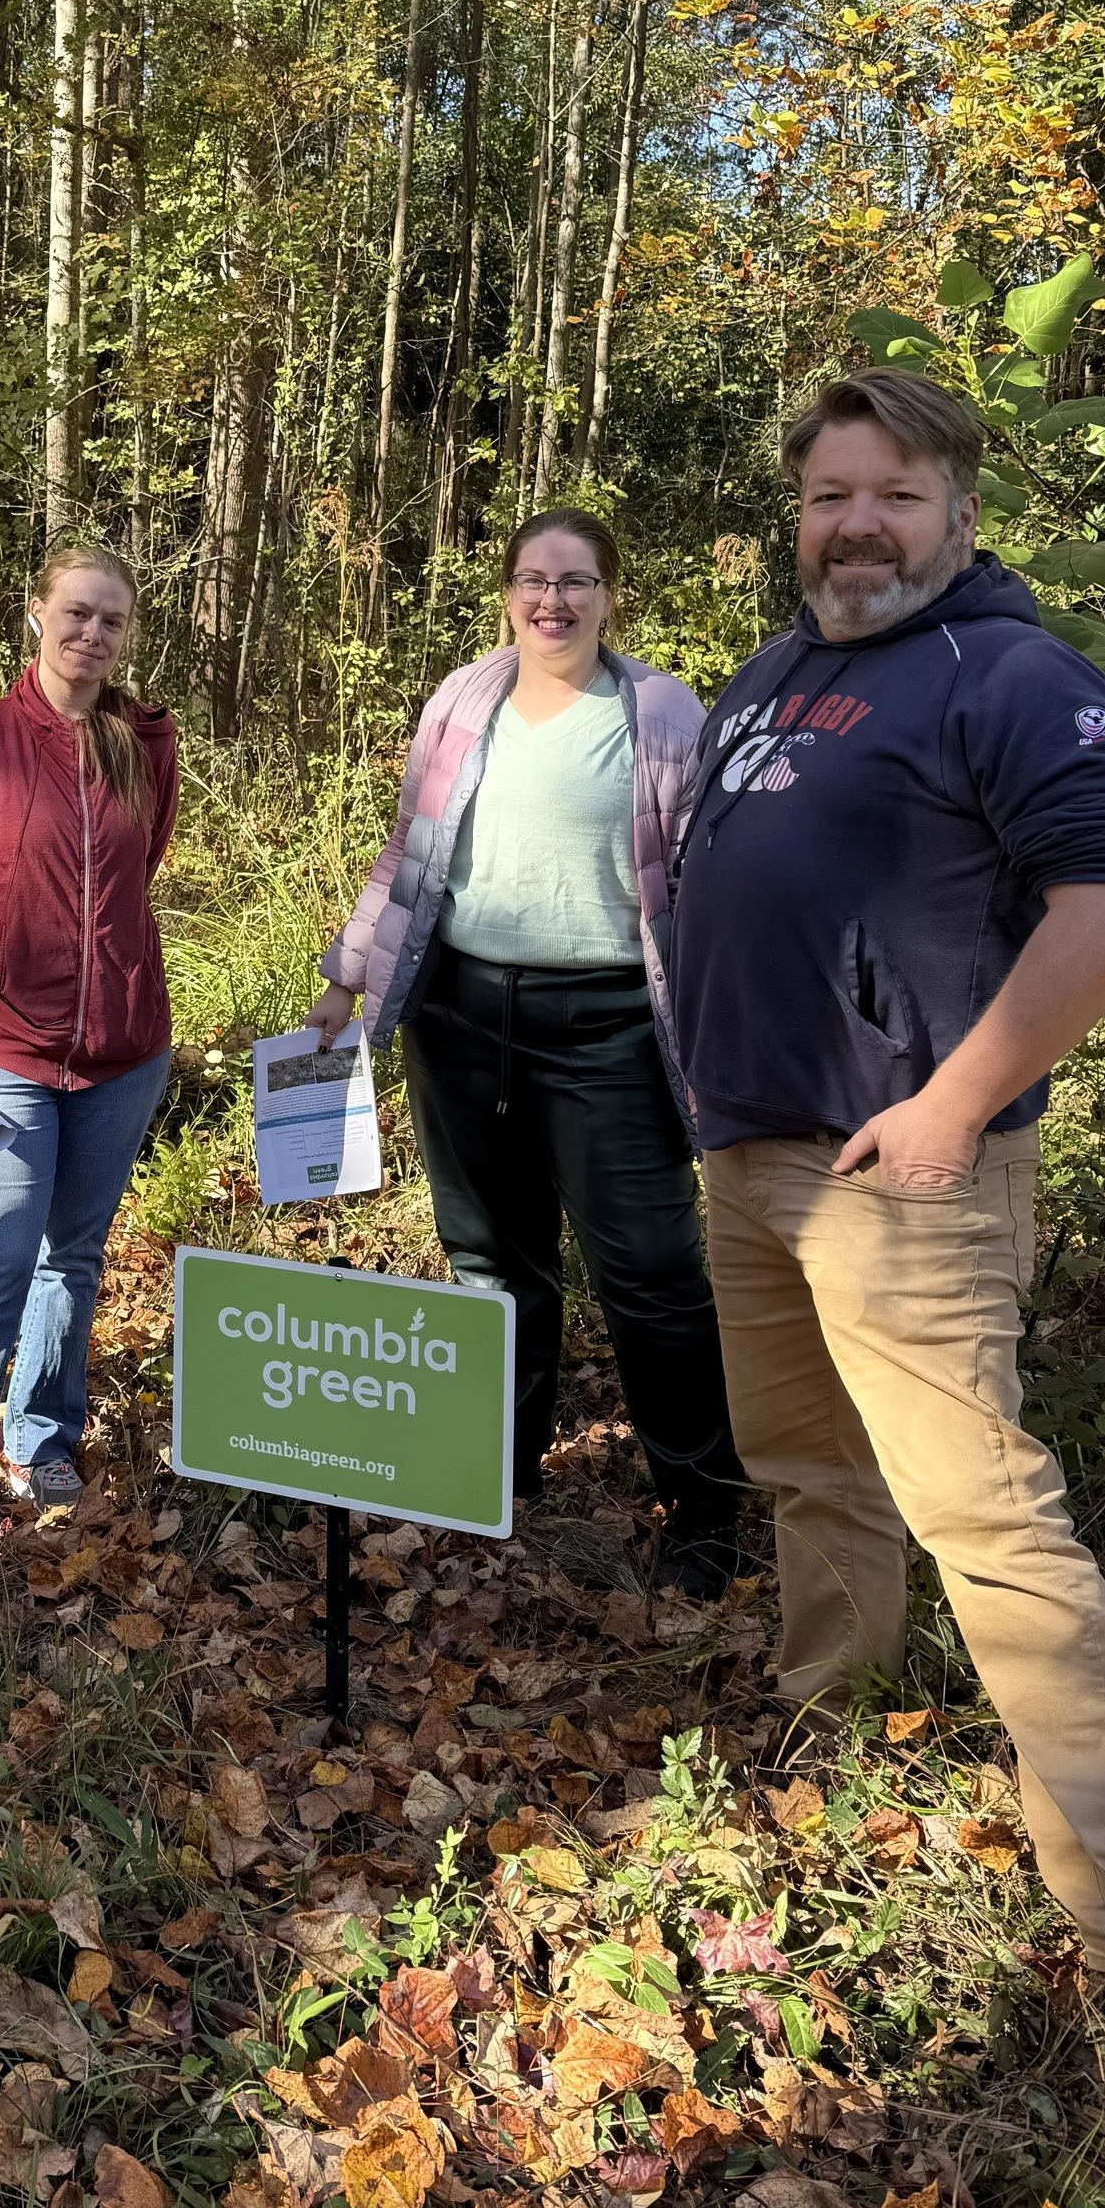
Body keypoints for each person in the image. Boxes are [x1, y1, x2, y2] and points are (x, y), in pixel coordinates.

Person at [667, 363, 1105, 1982]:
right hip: (755, 1154)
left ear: (961, 508)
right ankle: (833, 1720)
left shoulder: (1013, 674)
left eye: (894, 494)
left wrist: (955, 1106)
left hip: (906, 1178)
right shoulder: (771, 672)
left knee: (990, 1524)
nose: (857, 525)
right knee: (808, 1470)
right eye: (831, 495)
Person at [313, 510, 747, 1593]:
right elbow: (410, 855)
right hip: (460, 1018)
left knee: (648, 1271)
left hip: (608, 1028)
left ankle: (701, 1504)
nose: (552, 600)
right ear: (506, 591)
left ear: (611, 596)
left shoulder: (658, 713)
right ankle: (495, 1470)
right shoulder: (463, 698)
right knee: (491, 1262)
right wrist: (345, 971)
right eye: (532, 580)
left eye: (577, 582)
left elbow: (708, 878)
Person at [0, 545, 177, 1549]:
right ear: (34, 616)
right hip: (4, 1049)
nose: (91, 634)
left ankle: (40, 1441)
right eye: (75, 614)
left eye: (110, 620)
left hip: (123, 1052)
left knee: (74, 1260)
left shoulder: (145, 740)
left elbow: (140, 872)